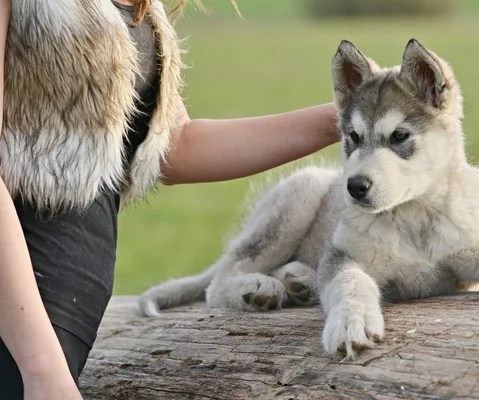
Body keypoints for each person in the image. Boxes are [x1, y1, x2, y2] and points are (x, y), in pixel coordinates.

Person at [0, 1, 339, 398]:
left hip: (57, 328)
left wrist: (347, 117)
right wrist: (42, 370)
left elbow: (174, 146)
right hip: (21, 335)